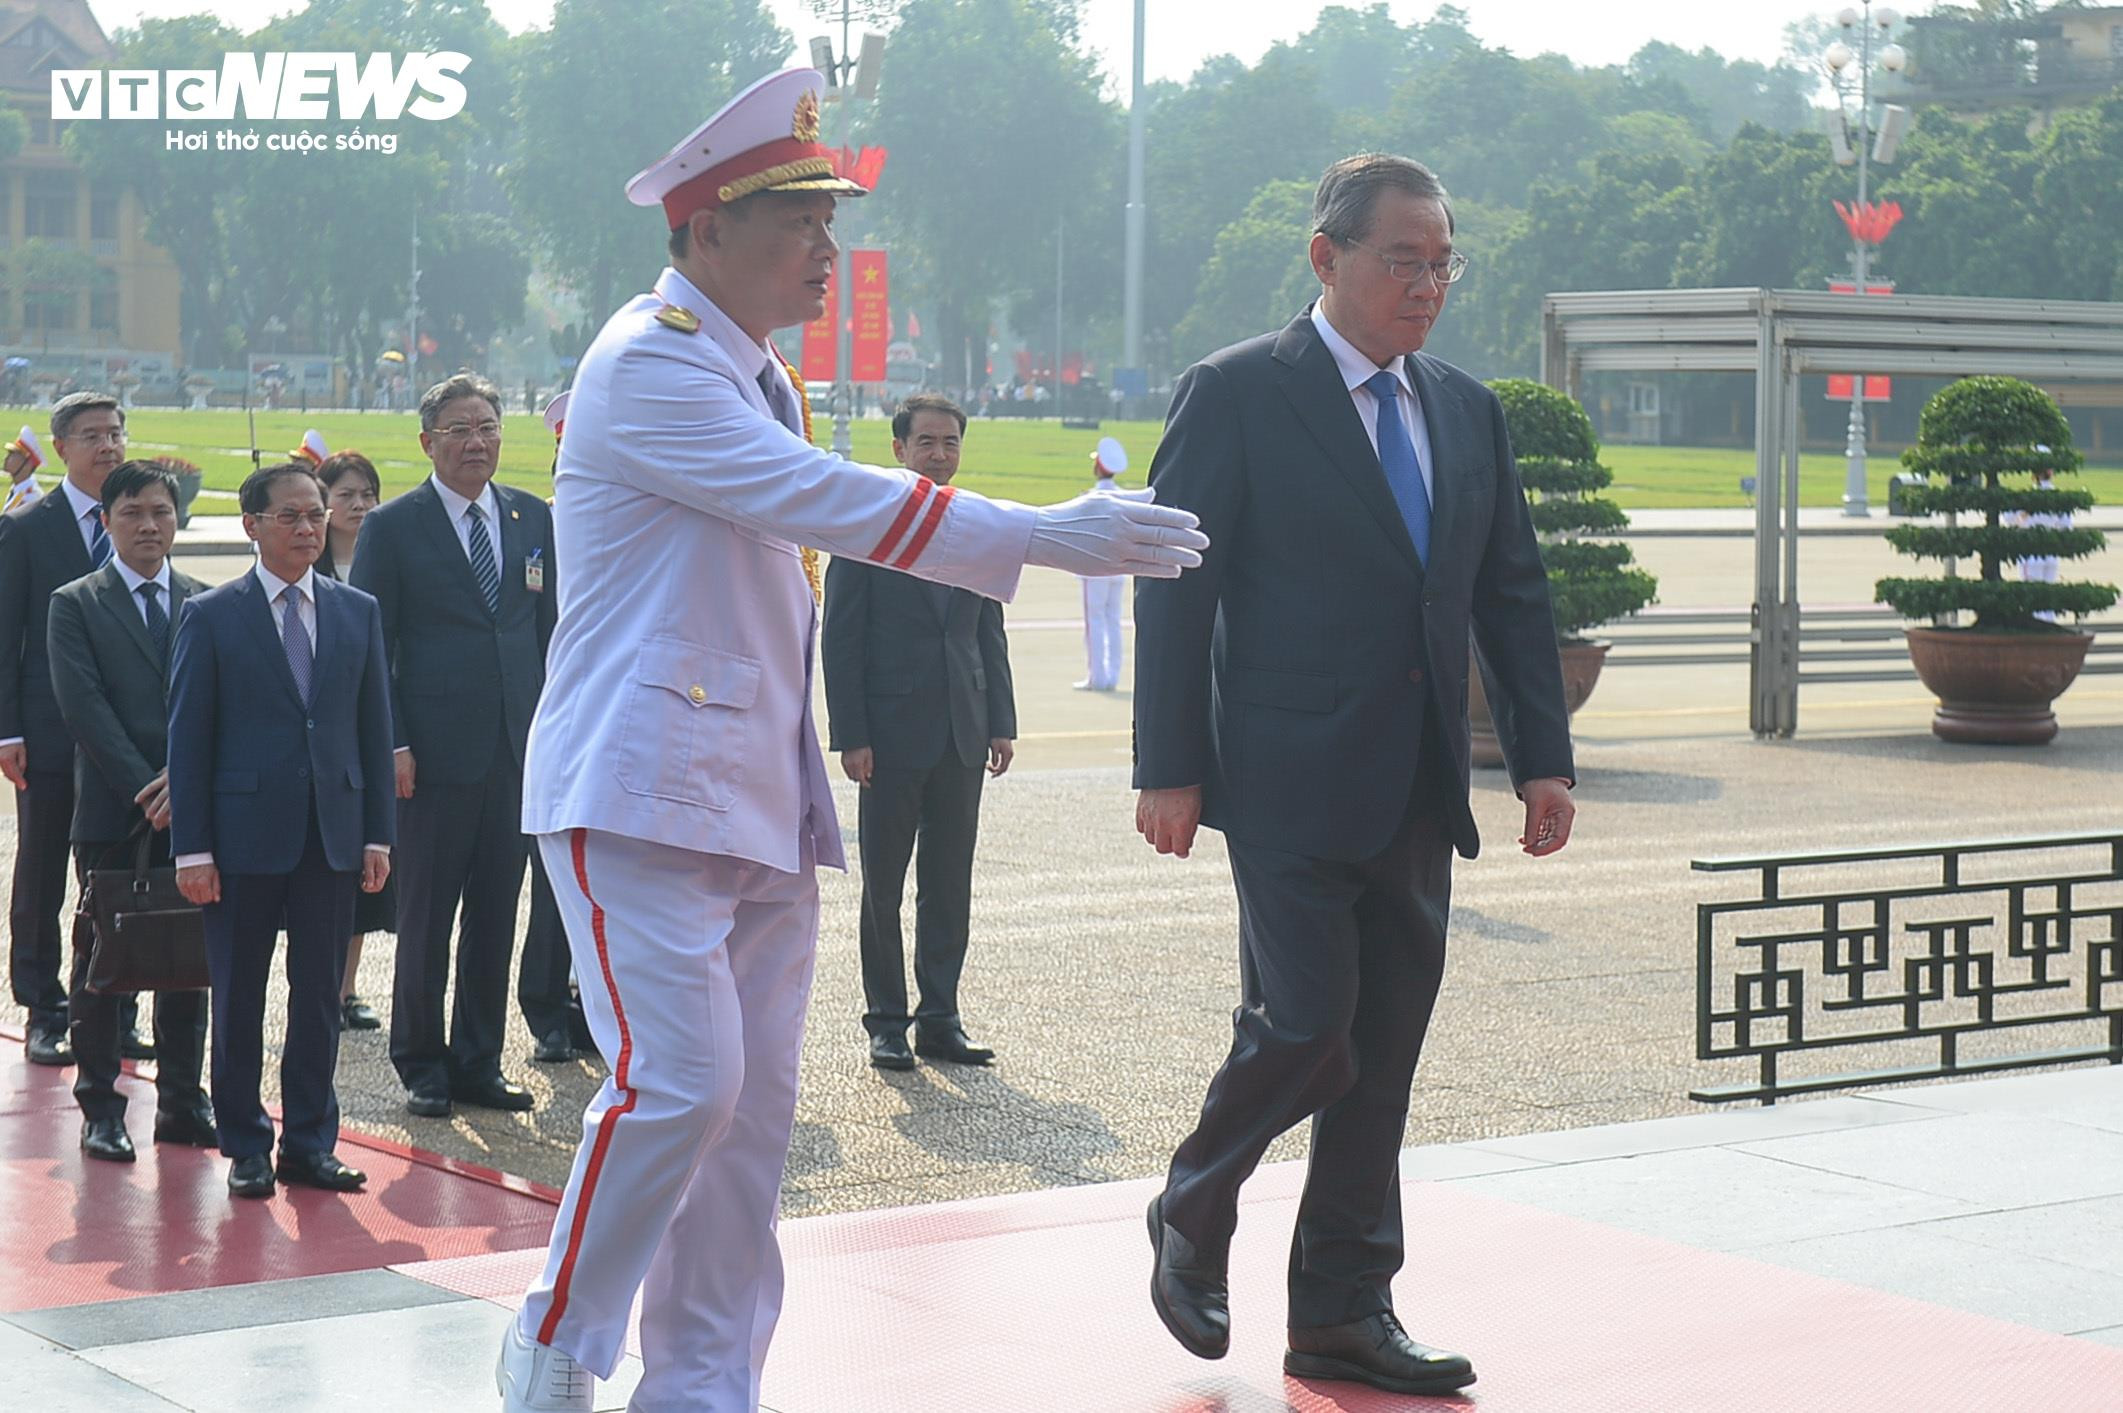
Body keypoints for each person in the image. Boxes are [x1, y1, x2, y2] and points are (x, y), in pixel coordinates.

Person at [494, 66, 1204, 1413]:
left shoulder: (758, 378)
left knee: (745, 1131)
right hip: (636, 789)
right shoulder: (646, 365)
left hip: (752, 794)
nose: (828, 249)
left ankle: (701, 1386)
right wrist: (1035, 535)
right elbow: (815, 502)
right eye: (796, 218)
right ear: (704, 228)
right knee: (678, 1088)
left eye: (831, 220)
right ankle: (550, 1354)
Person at [1133, 153, 1578, 1398]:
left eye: (1443, 263)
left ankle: (1341, 1309)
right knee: (1309, 1028)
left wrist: (1540, 756)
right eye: (1404, 259)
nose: (1427, 285)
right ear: (1326, 259)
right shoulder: (1233, 394)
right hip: (1276, 779)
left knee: (1376, 1057)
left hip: (1417, 787)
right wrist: (1168, 764)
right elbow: (1177, 579)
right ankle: (1190, 1200)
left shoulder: (1463, 408)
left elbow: (1509, 590)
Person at [169, 463, 395, 1199]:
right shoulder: (211, 615)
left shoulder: (356, 610)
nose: (307, 528)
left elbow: (373, 732)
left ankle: (308, 1141)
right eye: (290, 516)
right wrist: (192, 847)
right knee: (238, 995)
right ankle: (244, 1143)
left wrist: (376, 837)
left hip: (330, 837)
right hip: (240, 842)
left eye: (315, 515)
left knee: (318, 998)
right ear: (252, 526)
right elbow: (189, 740)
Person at [351, 374, 556, 1119]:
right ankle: (421, 1061)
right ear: (427, 441)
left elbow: (551, 636)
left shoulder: (532, 517)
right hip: (430, 758)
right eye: (461, 429)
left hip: (513, 752)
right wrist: (394, 741)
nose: (477, 441)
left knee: (496, 914)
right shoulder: (394, 526)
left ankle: (477, 1060)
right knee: (428, 916)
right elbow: (373, 646)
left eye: (489, 427)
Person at [823, 393, 1016, 1072]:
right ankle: (886, 1022)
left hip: (963, 732)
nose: (939, 453)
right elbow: (841, 640)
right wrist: (852, 734)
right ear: (898, 449)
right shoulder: (867, 530)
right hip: (890, 737)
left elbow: (988, 630)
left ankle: (941, 1017)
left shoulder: (975, 525)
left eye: (950, 442)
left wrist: (1001, 721)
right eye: (926, 442)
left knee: (948, 881)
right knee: (883, 885)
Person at [46, 460, 213, 1161]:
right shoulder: (76, 603)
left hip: (194, 811)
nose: (149, 525)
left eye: (161, 513)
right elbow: (84, 709)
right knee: (104, 961)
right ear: (107, 521)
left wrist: (187, 781)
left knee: (189, 959)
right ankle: (101, 1105)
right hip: (116, 815)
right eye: (133, 513)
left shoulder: (206, 602)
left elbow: (218, 705)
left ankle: (180, 1099)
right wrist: (150, 788)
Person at [0, 392, 131, 1068]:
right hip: (49, 731)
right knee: (45, 872)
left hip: (131, 731)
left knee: (120, 868)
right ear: (61, 448)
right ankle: (44, 1005)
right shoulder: (27, 528)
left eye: (115, 432)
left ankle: (118, 999)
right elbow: (6, 635)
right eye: (91, 435)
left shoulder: (143, 514)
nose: (108, 446)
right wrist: (7, 730)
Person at [517, 393, 590, 1064]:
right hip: (552, 719)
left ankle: (587, 1001)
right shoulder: (538, 524)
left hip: (609, 719)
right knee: (553, 878)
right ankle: (545, 1005)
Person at [316, 449, 391, 1030]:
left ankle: (345, 990)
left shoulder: (386, 561)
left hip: (368, 734)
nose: (359, 505)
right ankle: (316, 988)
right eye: (346, 495)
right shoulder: (304, 569)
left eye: (367, 494)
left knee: (363, 874)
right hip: (320, 737)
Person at [1075, 437, 1128, 691]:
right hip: (1119, 566)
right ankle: (1113, 675)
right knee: (1113, 619)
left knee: (1094, 619)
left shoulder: (1091, 498)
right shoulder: (1124, 496)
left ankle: (1097, 676)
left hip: (1095, 566)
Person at [4, 426, 46, 515]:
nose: (6, 458)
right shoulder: (18, 490)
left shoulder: (28, 497)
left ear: (27, 464)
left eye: (13, 454)